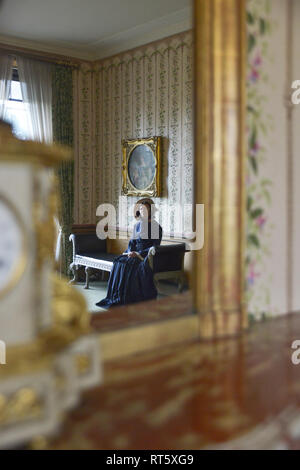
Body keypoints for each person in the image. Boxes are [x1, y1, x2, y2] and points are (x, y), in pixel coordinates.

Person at [96, 198, 163, 309]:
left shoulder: (156, 227)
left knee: (131, 265)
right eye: (141, 209)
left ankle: (130, 299)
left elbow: (155, 247)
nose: (142, 211)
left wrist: (138, 253)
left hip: (145, 256)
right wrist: (128, 252)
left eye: (145, 209)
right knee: (119, 261)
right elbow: (132, 242)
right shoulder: (137, 225)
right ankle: (117, 296)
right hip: (134, 253)